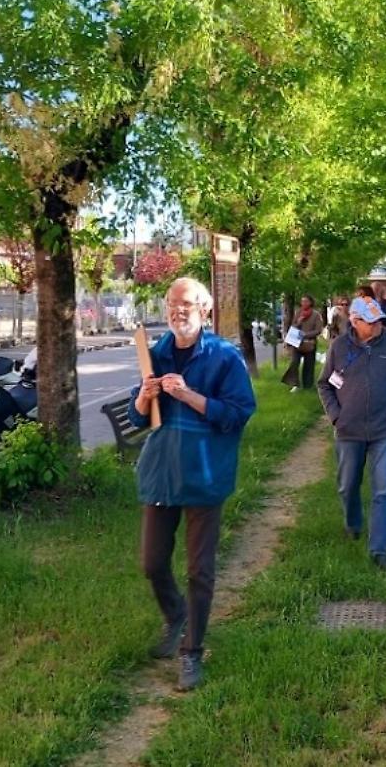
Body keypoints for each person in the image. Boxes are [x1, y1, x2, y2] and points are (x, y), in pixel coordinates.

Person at [128, 276, 257, 692]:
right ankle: (175, 615)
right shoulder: (158, 351)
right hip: (162, 472)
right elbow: (136, 418)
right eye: (171, 304)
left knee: (200, 570)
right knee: (151, 562)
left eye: (186, 304)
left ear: (204, 309)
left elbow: (239, 412)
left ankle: (192, 652)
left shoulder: (224, 356)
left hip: (204, 473)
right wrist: (145, 398)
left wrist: (189, 397)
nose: (177, 311)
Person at [317, 296, 386, 569]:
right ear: (355, 321)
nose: (378, 327)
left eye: (380, 321)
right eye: (371, 323)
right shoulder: (339, 347)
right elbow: (324, 385)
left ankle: (379, 551)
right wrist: (336, 417)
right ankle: (353, 524)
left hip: (384, 429)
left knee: (383, 490)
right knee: (348, 486)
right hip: (349, 431)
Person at [281, 295, 324, 391]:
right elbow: (293, 326)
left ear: (310, 302)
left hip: (310, 343)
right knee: (294, 362)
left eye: (306, 301)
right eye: (302, 301)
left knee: (309, 365)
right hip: (297, 343)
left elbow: (318, 330)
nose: (303, 303)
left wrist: (305, 334)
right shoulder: (298, 313)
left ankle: (308, 385)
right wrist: (298, 323)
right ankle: (294, 384)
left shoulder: (316, 315)